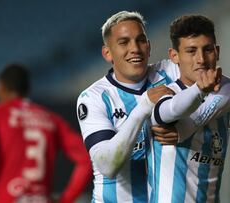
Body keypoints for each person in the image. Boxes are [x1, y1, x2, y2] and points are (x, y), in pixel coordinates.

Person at [76, 11, 188, 203]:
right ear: (107, 53)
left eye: (140, 40)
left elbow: (218, 85)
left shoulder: (171, 71)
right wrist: (143, 107)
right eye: (123, 42)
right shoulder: (94, 98)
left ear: (149, 46)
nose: (135, 48)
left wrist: (185, 130)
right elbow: (107, 165)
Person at [149, 14, 230, 202]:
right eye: (191, 51)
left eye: (207, 49)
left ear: (217, 52)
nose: (201, 59)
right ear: (174, 56)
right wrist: (198, 90)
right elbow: (163, 114)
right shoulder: (168, 93)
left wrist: (187, 127)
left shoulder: (223, 94)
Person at [0, 64, 93, 203]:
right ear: (28, 89)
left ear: (0, 87)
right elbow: (87, 157)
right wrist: (66, 199)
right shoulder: (52, 119)